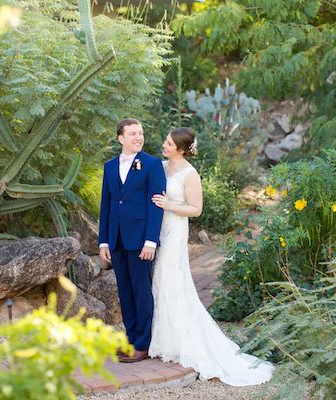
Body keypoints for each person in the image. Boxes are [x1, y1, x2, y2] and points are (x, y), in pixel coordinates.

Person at [149, 127, 274, 385]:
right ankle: (162, 338)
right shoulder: (159, 166)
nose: (164, 144)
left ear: (182, 150)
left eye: (169, 142)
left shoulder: (189, 173)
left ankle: (180, 342)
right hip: (157, 228)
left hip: (174, 230)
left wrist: (168, 204)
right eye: (166, 140)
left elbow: (196, 209)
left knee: (171, 278)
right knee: (158, 281)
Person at [98, 118, 167, 363]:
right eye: (133, 134)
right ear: (121, 138)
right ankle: (130, 339)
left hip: (140, 241)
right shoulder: (109, 166)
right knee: (125, 292)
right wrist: (103, 241)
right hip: (116, 239)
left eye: (140, 133)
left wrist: (151, 241)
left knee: (141, 292)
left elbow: (156, 206)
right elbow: (106, 204)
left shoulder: (152, 165)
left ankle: (143, 344)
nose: (138, 137)